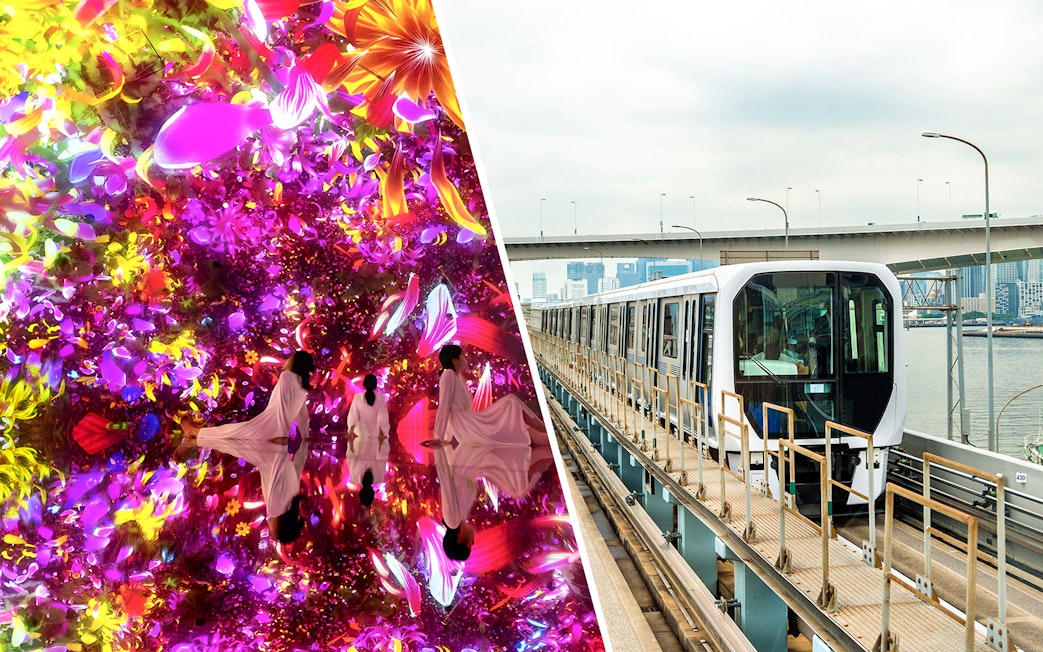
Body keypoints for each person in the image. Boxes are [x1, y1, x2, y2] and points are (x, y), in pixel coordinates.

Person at [178, 350, 315, 543]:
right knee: (232, 435)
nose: (270, 530)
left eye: (290, 358)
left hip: (271, 429)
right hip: (274, 429)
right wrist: (305, 436)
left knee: (232, 435)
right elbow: (301, 414)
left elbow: (295, 413)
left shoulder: (288, 502)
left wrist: (302, 438)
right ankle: (194, 434)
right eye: (274, 534)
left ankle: (194, 434)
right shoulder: (298, 385)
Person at [431, 439, 555, 561]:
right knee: (518, 486)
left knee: (518, 489)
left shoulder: (452, 520)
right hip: (474, 463)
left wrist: (442, 450)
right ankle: (547, 455)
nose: (474, 540)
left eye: (470, 544)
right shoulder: (460, 517)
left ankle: (547, 454)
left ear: (459, 539)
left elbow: (446, 481)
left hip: (468, 458)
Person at [433, 344, 549, 447]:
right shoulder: (448, 375)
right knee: (511, 404)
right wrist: (439, 437)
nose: (466, 359)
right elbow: (444, 406)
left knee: (512, 405)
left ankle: (545, 431)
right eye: (463, 356)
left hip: (470, 421)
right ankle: (545, 431)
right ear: (455, 360)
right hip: (466, 426)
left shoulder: (458, 377)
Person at [346, 374, 391, 506]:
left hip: (360, 437)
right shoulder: (381, 398)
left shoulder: (357, 398)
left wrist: (350, 433)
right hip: (377, 436)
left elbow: (353, 417)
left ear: (364, 385)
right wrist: (385, 435)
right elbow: (383, 419)